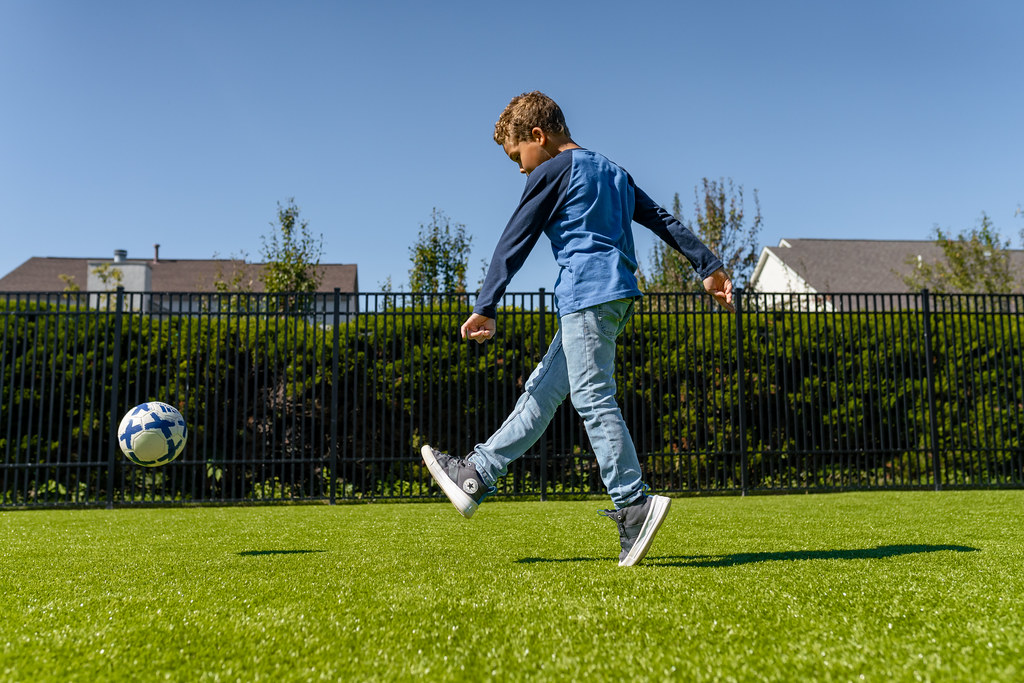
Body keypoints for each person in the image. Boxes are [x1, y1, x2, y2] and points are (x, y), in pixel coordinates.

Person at [422, 91, 734, 567]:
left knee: (591, 396)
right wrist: (707, 265)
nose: (521, 170)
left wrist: (486, 304)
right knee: (543, 392)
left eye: (517, 157)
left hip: (587, 293)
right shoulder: (613, 171)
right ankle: (477, 475)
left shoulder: (552, 171)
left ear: (538, 136)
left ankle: (634, 505)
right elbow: (661, 219)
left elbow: (516, 237)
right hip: (615, 296)